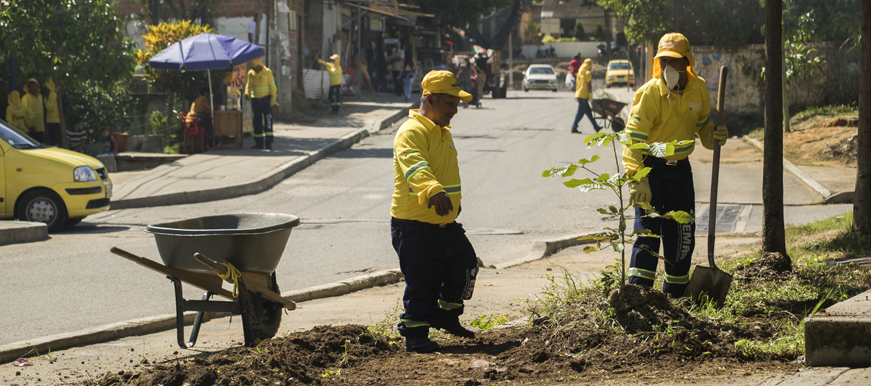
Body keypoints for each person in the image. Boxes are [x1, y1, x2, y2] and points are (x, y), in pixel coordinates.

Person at [623, 32, 729, 298]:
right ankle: (639, 298)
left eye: (675, 60)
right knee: (648, 237)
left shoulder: (699, 88)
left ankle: (675, 297)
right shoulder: (650, 93)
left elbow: (703, 125)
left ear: (687, 62)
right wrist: (637, 178)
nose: (668, 66)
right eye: (664, 60)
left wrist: (712, 134)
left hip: (681, 172)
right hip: (651, 170)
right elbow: (633, 139)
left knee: (682, 237)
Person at [390, 70, 478, 353]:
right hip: (413, 225)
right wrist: (434, 191)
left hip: (443, 221)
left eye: (456, 105)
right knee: (422, 280)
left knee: (465, 264)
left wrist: (453, 198)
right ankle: (415, 334)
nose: (455, 110)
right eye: (450, 104)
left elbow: (447, 171)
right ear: (430, 98)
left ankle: (445, 315)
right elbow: (415, 166)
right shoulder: (412, 131)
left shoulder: (442, 131)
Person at [245, 57, 278, 150]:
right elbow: (248, 84)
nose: (254, 68)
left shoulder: (267, 72)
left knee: (268, 121)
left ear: (260, 66)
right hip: (255, 100)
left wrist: (273, 97)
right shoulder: (251, 73)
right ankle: (259, 143)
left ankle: (269, 142)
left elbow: (272, 86)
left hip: (266, 100)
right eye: (253, 67)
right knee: (257, 122)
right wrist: (247, 93)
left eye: (255, 67)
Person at [570, 58, 602, 133]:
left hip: (579, 94)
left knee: (588, 112)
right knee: (580, 112)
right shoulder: (587, 73)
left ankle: (596, 127)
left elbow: (577, 84)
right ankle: (574, 127)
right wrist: (590, 95)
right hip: (583, 95)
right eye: (590, 66)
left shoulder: (580, 72)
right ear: (588, 66)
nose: (591, 68)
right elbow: (589, 85)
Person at [21, 78, 46, 143]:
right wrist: (31, 126)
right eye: (30, 86)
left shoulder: (40, 96)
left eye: (33, 86)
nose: (32, 88)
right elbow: (25, 113)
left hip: (40, 128)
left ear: (37, 87)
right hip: (31, 129)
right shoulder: (25, 98)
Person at [44, 79, 61, 146]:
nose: (46, 88)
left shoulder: (52, 94)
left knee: (52, 139)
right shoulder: (56, 94)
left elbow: (49, 107)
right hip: (56, 119)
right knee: (55, 138)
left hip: (52, 120)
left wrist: (45, 100)